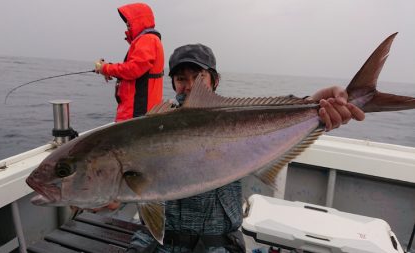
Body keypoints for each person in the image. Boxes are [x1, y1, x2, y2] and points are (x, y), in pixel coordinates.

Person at [126, 44, 365, 252]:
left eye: (198, 77)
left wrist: (316, 105)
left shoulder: (235, 121)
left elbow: (268, 121)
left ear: (214, 80)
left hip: (217, 246)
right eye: (180, 79)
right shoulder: (153, 127)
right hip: (160, 244)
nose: (188, 86)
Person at [94, 2, 164, 122]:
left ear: (138, 21)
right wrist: (107, 68)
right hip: (135, 113)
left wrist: (106, 68)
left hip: (137, 114)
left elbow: (133, 69)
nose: (127, 25)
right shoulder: (147, 40)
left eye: (128, 22)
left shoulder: (147, 40)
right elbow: (135, 68)